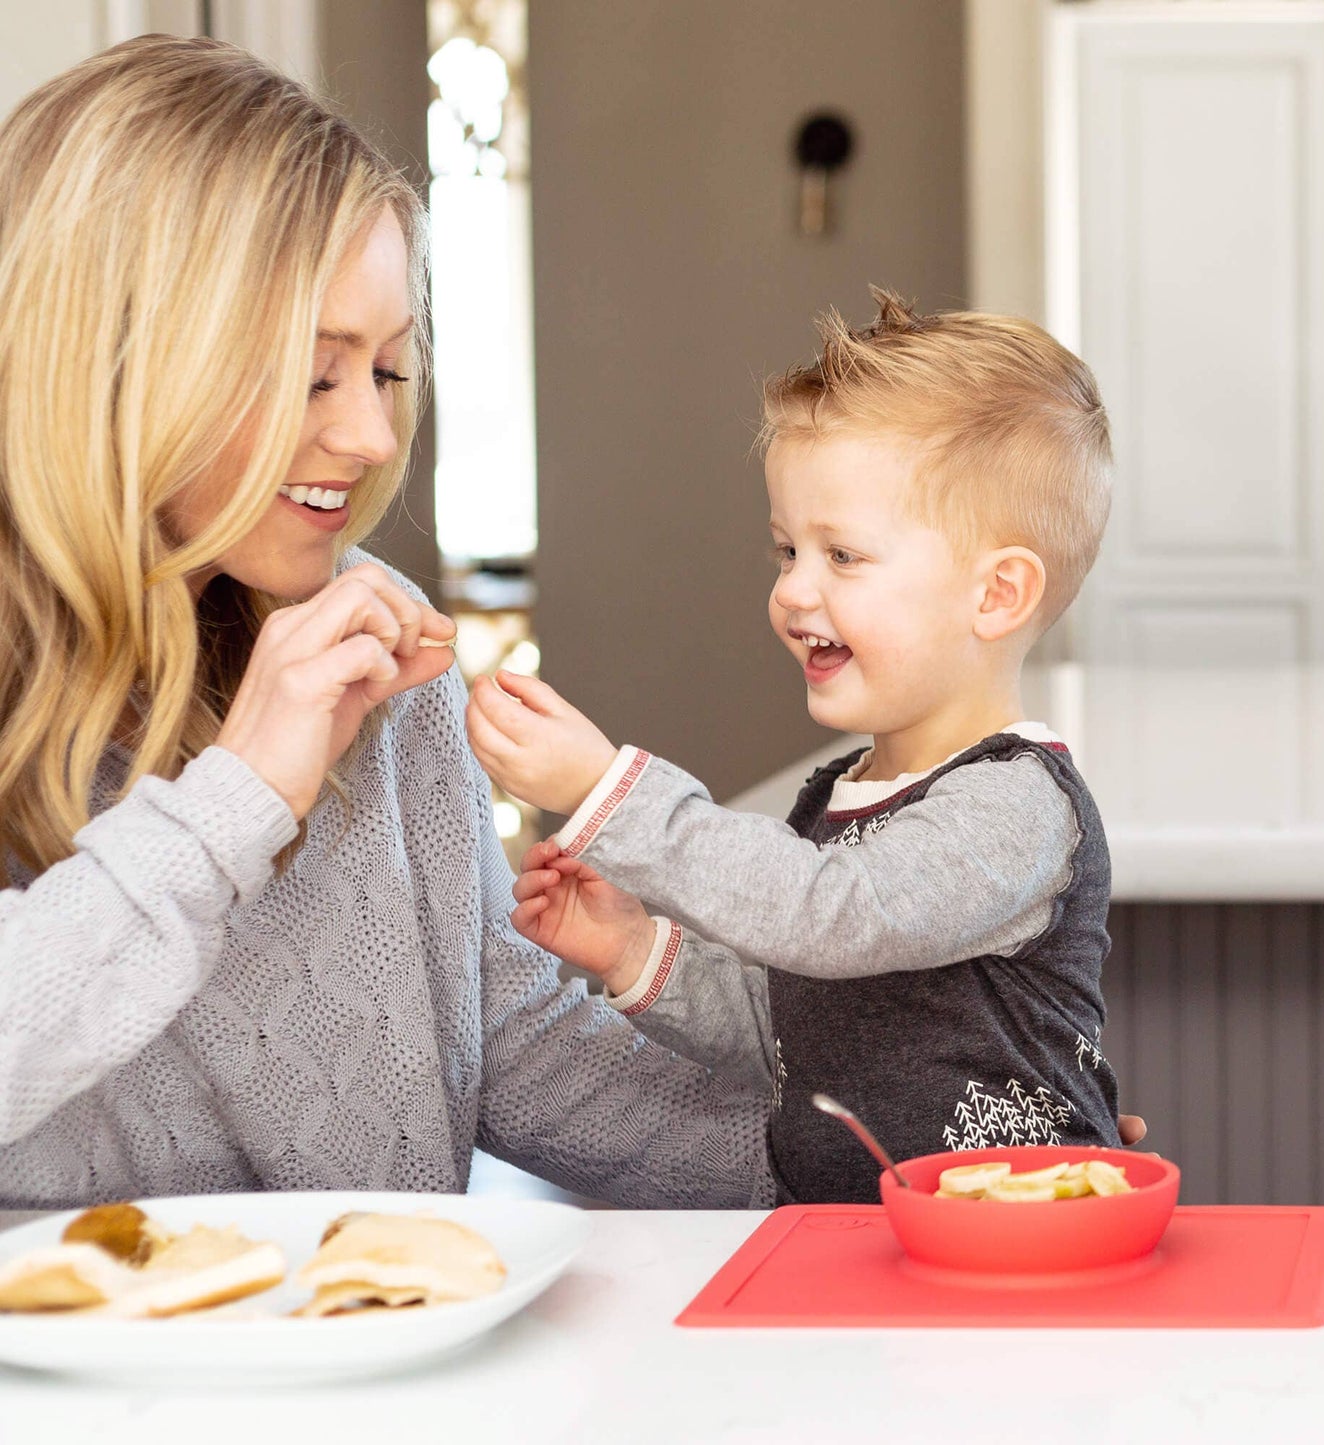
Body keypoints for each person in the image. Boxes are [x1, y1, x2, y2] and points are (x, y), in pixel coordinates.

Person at [0, 35, 774, 1211]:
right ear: (110, 365)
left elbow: (502, 1036)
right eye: (314, 375)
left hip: (378, 1366)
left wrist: (891, 1162)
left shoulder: (362, 654)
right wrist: (237, 798)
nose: (367, 437)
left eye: (389, 374)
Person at [468, 291, 1128, 1203]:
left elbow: (831, 916)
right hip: (854, 1246)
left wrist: (603, 790)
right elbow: (803, 1032)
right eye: (786, 551)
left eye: (842, 556)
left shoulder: (1014, 804)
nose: (793, 592)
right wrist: (634, 950)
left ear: (996, 595)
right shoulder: (841, 794)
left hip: (1022, 1248)